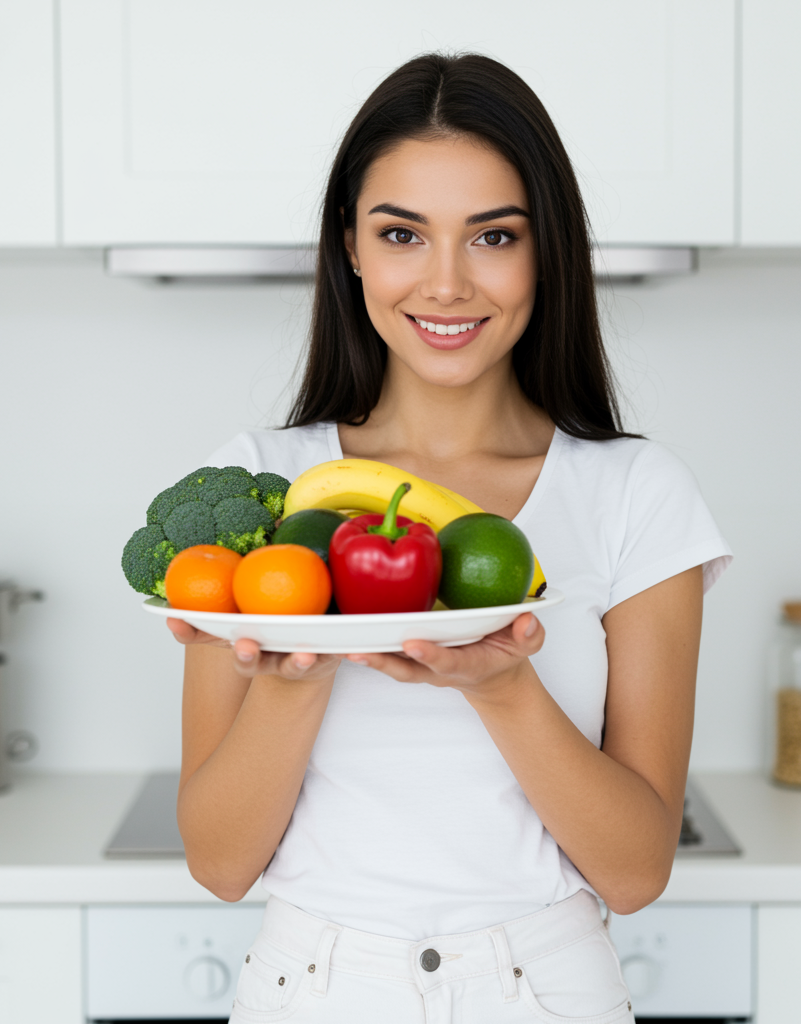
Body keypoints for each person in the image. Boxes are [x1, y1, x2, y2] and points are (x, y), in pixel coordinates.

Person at [167, 52, 731, 1024]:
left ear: (544, 249)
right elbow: (220, 865)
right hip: (314, 985)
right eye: (401, 233)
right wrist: (292, 680)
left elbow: (636, 871)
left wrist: (503, 684)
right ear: (350, 246)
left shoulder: (635, 492)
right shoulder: (269, 485)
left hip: (543, 986)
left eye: (492, 236)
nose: (445, 283)